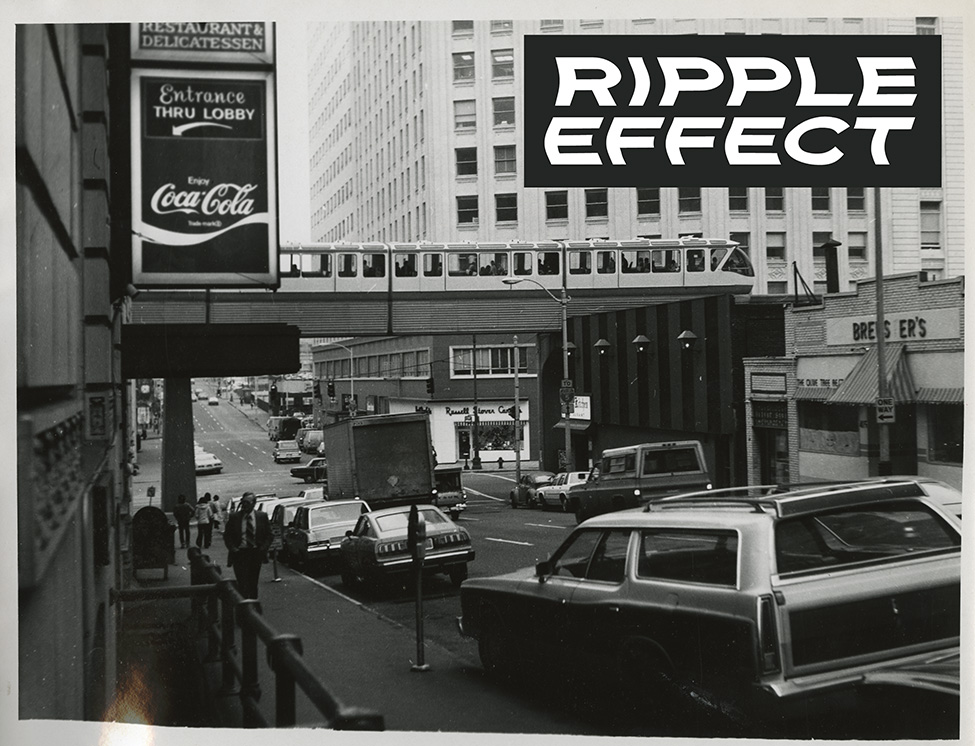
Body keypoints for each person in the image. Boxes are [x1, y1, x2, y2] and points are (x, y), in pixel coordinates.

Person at [224, 491, 272, 599]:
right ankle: (244, 609)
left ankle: (253, 608)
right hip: (240, 554)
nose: (244, 505)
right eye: (242, 502)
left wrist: (263, 549)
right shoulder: (234, 517)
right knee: (242, 584)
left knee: (253, 583)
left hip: (255, 554)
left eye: (247, 502)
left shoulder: (261, 516)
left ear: (253, 503)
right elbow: (227, 536)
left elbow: (269, 535)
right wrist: (233, 548)